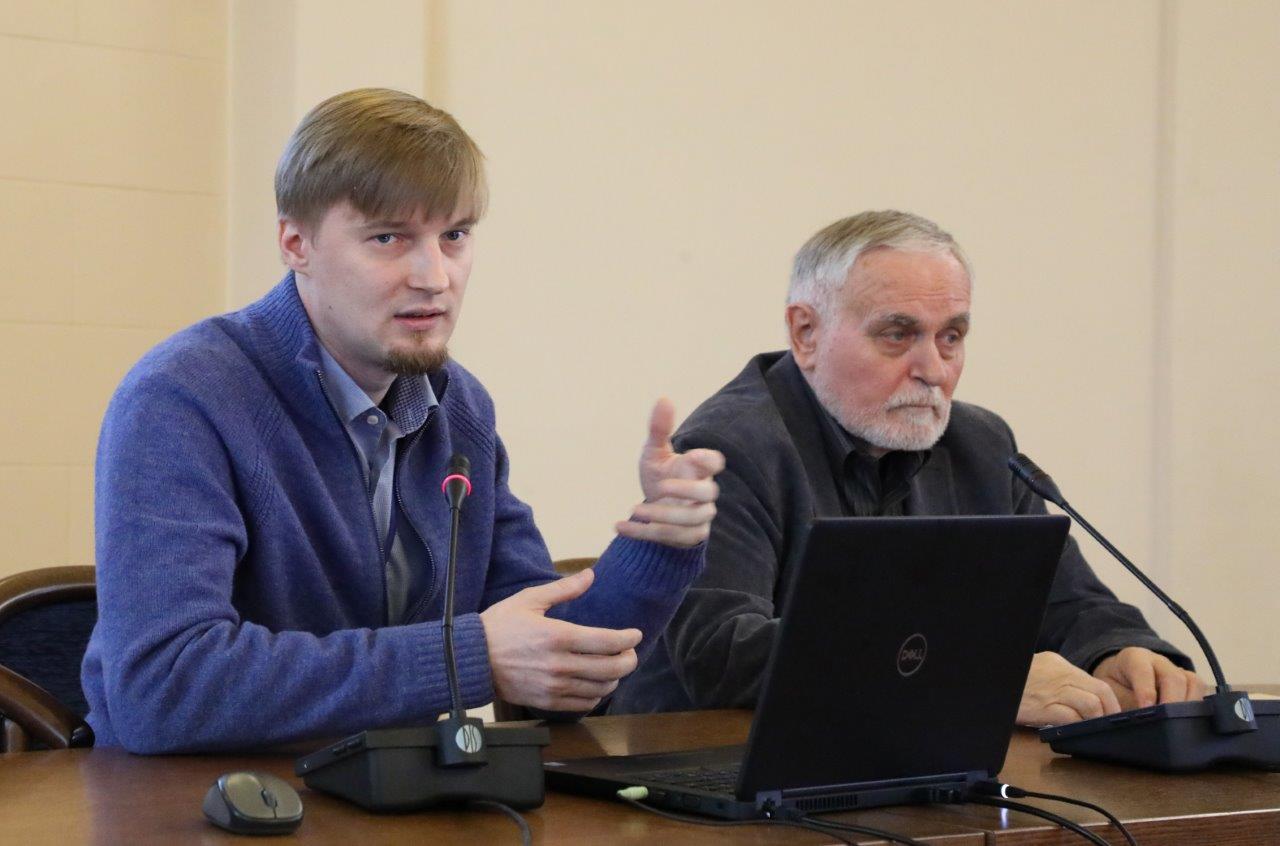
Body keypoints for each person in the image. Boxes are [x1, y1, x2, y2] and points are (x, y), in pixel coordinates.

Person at [81, 88, 724, 753]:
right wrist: (464, 656)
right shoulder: (181, 397)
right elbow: (164, 688)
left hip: (392, 791)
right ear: (295, 243)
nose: (434, 277)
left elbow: (548, 656)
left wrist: (660, 543)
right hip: (194, 798)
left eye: (455, 236)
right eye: (388, 237)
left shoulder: (458, 406)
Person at [611, 210, 1204, 726]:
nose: (934, 369)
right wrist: (977, 679)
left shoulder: (981, 445)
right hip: (703, 766)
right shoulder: (729, 448)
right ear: (806, 332)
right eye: (898, 335)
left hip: (898, 757)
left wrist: (1118, 650)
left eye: (952, 337)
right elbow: (725, 657)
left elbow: (1064, 603)